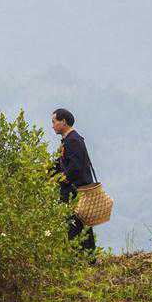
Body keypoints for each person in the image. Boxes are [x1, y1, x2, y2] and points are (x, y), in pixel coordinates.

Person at [52, 108, 96, 255]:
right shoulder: (68, 140)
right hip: (74, 189)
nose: (52, 125)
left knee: (75, 225)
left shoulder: (73, 140)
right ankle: (87, 257)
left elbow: (75, 168)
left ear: (63, 122)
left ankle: (83, 258)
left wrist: (61, 180)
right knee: (79, 224)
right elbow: (60, 164)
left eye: (54, 121)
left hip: (76, 190)